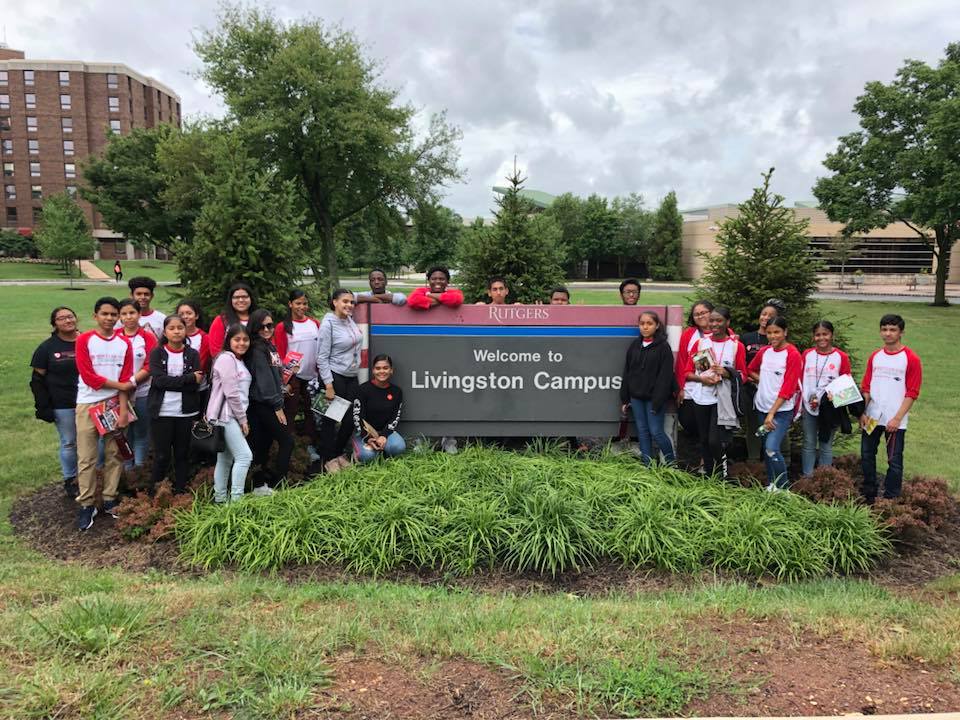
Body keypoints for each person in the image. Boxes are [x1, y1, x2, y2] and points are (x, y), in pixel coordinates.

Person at [74, 297, 134, 531]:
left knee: (114, 454)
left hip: (114, 406)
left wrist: (122, 412)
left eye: (113, 314)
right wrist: (121, 387)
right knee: (87, 458)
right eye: (105, 314)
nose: (109, 318)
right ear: (95, 315)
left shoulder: (124, 344)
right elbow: (90, 378)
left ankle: (109, 499)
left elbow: (126, 379)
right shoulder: (84, 340)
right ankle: (87, 504)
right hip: (88, 405)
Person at [859, 314, 922, 503]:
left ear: (901, 332)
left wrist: (897, 418)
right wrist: (862, 412)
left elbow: (912, 392)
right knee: (867, 455)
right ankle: (869, 493)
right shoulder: (875, 357)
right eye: (884, 329)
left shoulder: (910, 358)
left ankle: (890, 498)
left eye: (893, 329)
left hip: (895, 420)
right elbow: (867, 387)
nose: (888, 333)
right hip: (872, 417)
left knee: (893, 461)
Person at [683, 307, 747, 477]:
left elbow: (743, 375)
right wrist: (701, 379)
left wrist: (726, 373)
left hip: (722, 400)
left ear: (728, 322)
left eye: (719, 321)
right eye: (712, 320)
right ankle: (710, 475)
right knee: (703, 440)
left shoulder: (735, 346)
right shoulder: (701, 344)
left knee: (714, 440)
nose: (714, 324)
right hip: (702, 397)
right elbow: (687, 373)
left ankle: (721, 474)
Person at [148, 315, 203, 495]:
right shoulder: (157, 353)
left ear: (185, 330)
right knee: (162, 456)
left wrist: (177, 381)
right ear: (165, 332)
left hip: (186, 413)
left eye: (180, 327)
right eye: (171, 328)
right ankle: (155, 493)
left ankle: (180, 491)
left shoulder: (193, 354)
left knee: (182, 455)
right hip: (162, 411)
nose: (176, 331)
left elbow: (196, 384)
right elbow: (158, 381)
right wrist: (187, 378)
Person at [747, 316, 802, 492]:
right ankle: (772, 485)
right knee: (766, 448)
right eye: (769, 333)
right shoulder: (764, 352)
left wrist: (772, 413)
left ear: (785, 332)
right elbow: (750, 369)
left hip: (780, 412)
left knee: (772, 448)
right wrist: (763, 381)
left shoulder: (792, 354)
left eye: (777, 332)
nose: (773, 336)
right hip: (762, 407)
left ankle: (784, 488)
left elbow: (788, 388)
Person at [30, 306, 80, 497]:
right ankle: (70, 479)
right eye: (61, 318)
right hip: (63, 403)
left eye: (70, 316)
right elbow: (37, 380)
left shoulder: (87, 340)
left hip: (91, 401)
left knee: (96, 442)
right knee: (69, 442)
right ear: (55, 324)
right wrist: (42, 406)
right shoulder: (47, 348)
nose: (67, 321)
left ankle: (95, 475)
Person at [620, 311, 676, 465]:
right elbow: (628, 372)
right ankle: (647, 464)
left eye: (649, 323)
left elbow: (665, 377)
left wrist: (658, 401)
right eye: (642, 323)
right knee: (642, 432)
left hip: (654, 399)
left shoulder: (663, 348)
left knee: (656, 432)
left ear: (657, 325)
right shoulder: (635, 345)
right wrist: (625, 398)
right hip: (636, 397)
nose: (645, 327)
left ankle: (671, 464)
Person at [246, 309, 293, 494]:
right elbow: (264, 381)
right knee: (286, 441)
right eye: (262, 326)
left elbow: (274, 375)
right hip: (263, 403)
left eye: (270, 325)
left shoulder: (269, 346)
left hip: (271, 400)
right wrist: (277, 405)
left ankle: (260, 484)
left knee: (264, 443)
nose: (266, 329)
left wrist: (283, 387)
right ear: (255, 327)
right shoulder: (257, 349)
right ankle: (278, 483)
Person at [317, 289, 363, 472]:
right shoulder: (328, 324)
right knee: (331, 419)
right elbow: (321, 357)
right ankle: (328, 459)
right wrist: (328, 384)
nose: (349, 305)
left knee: (352, 418)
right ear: (334, 302)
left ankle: (337, 453)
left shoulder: (348, 319)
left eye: (352, 302)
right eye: (345, 301)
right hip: (334, 376)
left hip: (351, 376)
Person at [207, 324, 254, 503]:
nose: (242, 343)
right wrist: (243, 420)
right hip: (226, 416)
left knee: (225, 459)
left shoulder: (238, 360)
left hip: (230, 416)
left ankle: (219, 500)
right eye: (237, 339)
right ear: (228, 340)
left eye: (245, 339)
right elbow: (231, 392)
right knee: (244, 456)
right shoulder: (226, 358)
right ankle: (236, 502)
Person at [274, 290, 321, 462]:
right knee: (290, 411)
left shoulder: (314, 323)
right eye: (298, 303)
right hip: (291, 377)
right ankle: (288, 445)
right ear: (290, 304)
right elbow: (278, 353)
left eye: (304, 303)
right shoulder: (282, 327)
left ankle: (310, 444)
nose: (302, 307)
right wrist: (282, 378)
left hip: (312, 376)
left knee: (312, 411)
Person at [800, 320, 851, 477]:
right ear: (813, 336)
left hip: (829, 407)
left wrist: (834, 395)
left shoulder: (841, 357)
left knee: (825, 444)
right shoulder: (807, 354)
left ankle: (823, 479)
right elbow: (800, 378)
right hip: (809, 405)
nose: (821, 338)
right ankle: (807, 477)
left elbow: (846, 384)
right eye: (818, 335)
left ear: (832, 335)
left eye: (825, 334)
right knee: (809, 442)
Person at [741, 298, 786, 460]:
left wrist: (767, 382)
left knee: (775, 425)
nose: (765, 318)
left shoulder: (780, 341)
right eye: (763, 314)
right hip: (751, 390)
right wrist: (757, 379)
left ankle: (782, 459)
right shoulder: (747, 338)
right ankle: (753, 461)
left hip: (774, 392)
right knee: (753, 426)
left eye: (770, 315)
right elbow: (743, 365)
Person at [117, 299, 157, 469]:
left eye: (132, 313)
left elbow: (151, 363)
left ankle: (139, 468)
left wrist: (132, 380)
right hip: (118, 393)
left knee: (141, 431)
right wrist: (121, 385)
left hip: (142, 391)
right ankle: (126, 467)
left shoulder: (147, 337)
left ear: (139, 314)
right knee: (123, 432)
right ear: (119, 317)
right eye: (124, 314)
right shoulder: (115, 336)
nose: (128, 317)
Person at [352, 354, 406, 463]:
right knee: (367, 456)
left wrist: (384, 436)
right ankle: (359, 447)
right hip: (364, 433)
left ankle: (382, 449)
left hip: (385, 431)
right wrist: (368, 438)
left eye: (385, 368)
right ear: (373, 371)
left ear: (391, 370)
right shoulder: (363, 390)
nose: (382, 371)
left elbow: (395, 416)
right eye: (378, 368)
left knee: (398, 447)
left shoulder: (396, 391)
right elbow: (357, 417)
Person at [208, 283, 256, 352]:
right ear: (231, 300)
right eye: (236, 297)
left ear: (251, 298)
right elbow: (215, 349)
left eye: (244, 297)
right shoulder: (222, 320)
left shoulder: (258, 319)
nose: (241, 300)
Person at [177, 300, 211, 374]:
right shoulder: (173, 335)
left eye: (189, 313)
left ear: (196, 316)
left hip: (196, 380)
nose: (185, 317)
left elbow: (201, 364)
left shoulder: (204, 338)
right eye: (181, 314)